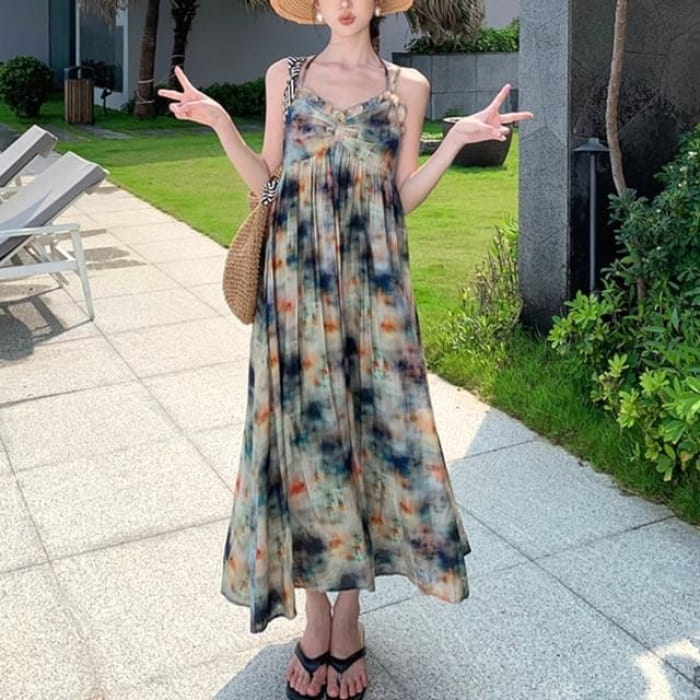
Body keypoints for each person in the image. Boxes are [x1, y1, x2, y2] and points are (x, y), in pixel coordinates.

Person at [159, 0, 532, 697]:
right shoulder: (286, 76)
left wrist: (455, 142)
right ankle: (317, 614)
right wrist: (219, 123)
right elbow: (268, 182)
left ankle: (351, 613)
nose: (345, 3)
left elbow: (399, 194)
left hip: (374, 288)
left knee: (372, 432)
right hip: (294, 287)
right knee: (304, 440)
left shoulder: (407, 86)